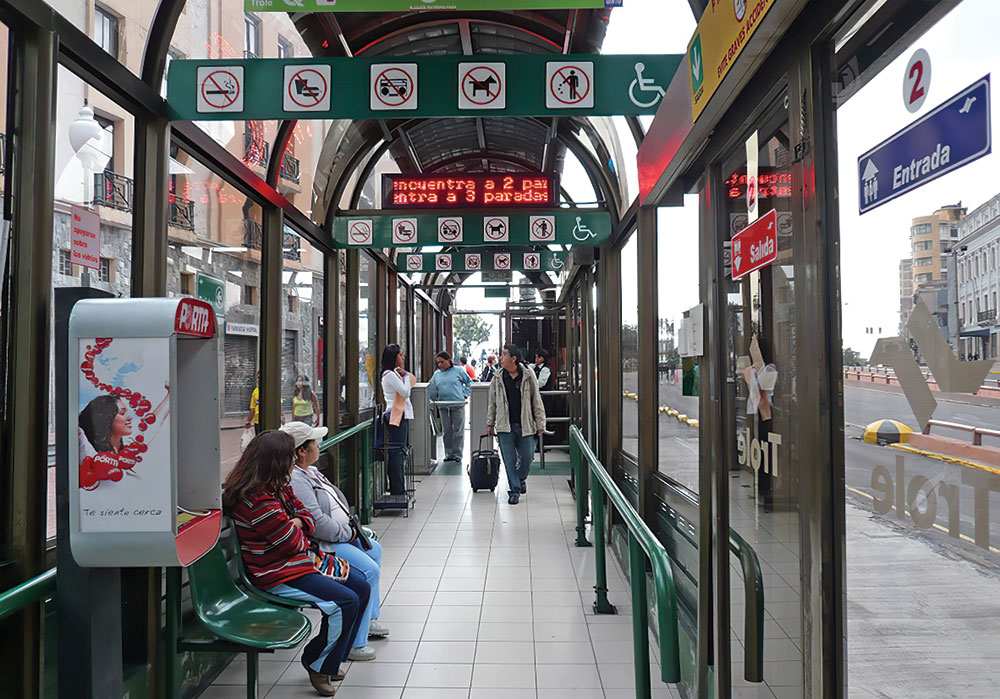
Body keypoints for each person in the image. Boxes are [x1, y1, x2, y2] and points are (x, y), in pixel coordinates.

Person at [224, 431, 372, 697]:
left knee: (361, 585)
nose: (294, 460)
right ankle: (317, 662)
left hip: (299, 562)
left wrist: (299, 523)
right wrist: (297, 527)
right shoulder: (257, 499)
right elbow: (292, 542)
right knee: (345, 601)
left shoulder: (277, 487)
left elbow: (305, 519)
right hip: (278, 573)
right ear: (276, 460)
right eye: (290, 455)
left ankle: (332, 658)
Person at [284, 422, 389, 661]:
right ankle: (355, 643)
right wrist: (347, 533)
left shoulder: (310, 470)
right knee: (368, 571)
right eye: (314, 442)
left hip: (341, 533)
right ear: (301, 450)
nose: (318, 446)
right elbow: (317, 523)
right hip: (324, 542)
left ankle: (368, 618)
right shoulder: (296, 480)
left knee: (375, 551)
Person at [486, 344, 546, 504]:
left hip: (525, 424)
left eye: (504, 355)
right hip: (505, 426)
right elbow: (492, 403)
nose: (500, 358)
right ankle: (514, 490)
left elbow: (536, 400)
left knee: (527, 457)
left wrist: (541, 423)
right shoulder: (497, 378)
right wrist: (490, 423)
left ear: (513, 358)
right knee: (509, 459)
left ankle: (520, 478)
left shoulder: (528, 375)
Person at [379, 344, 414, 495]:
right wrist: (406, 376)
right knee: (397, 452)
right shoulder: (390, 375)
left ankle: (397, 486)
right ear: (393, 358)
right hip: (396, 414)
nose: (403, 358)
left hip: (399, 414)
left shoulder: (393, 374)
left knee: (398, 451)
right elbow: (405, 392)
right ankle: (398, 488)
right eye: (400, 355)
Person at [428, 351, 471, 462]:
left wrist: (465, 394)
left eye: (442, 362)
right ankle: (449, 453)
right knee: (447, 431)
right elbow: (431, 387)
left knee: (458, 430)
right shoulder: (437, 374)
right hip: (443, 406)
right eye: (438, 363)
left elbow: (469, 382)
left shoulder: (459, 370)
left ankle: (458, 454)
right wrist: (434, 399)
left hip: (458, 404)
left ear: (449, 360)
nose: (440, 365)